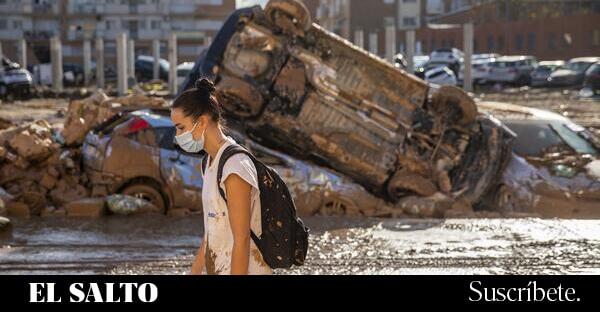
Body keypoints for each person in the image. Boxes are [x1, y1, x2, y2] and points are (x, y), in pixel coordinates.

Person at [170, 78, 272, 275]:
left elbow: (241, 240)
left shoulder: (234, 167)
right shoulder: (209, 163)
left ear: (202, 122)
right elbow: (210, 233)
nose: (177, 135)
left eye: (181, 127)